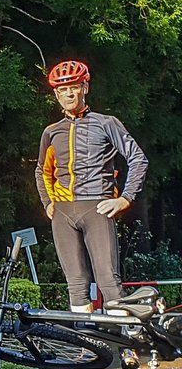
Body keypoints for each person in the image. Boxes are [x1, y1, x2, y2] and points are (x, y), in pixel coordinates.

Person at [35, 60, 147, 315]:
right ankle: (87, 351)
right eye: (62, 90)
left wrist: (125, 198)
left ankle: (127, 349)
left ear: (85, 87)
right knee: (75, 285)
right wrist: (48, 203)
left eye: (74, 87)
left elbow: (138, 158)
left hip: (97, 207)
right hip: (63, 213)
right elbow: (41, 170)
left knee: (109, 282)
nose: (69, 94)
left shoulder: (106, 123)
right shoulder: (51, 132)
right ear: (55, 94)